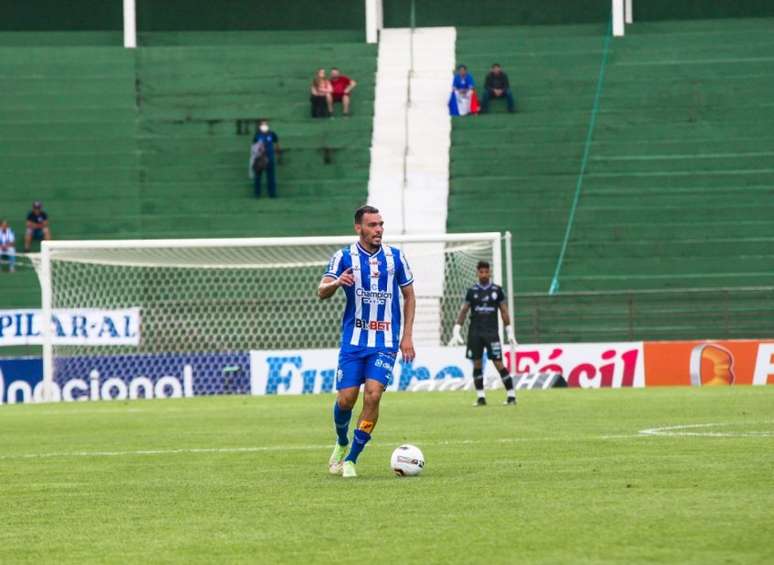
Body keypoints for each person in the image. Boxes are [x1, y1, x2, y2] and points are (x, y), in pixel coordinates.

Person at [318, 205, 416, 478]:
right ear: (358, 228)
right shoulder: (343, 257)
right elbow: (321, 290)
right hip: (354, 341)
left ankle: (351, 459)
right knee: (346, 399)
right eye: (373, 225)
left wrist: (407, 336)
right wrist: (336, 283)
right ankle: (341, 441)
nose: (379, 230)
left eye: (381, 224)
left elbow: (409, 296)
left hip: (385, 341)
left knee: (373, 395)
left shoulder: (396, 257)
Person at [449, 260, 518, 406]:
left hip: (492, 333)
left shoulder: (497, 290)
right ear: (477, 273)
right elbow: (464, 310)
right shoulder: (472, 291)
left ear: (490, 272)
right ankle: (481, 397)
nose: (484, 274)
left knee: (498, 363)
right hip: (475, 333)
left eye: (486, 271)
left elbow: (504, 311)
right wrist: (456, 329)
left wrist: (509, 331)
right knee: (477, 363)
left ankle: (511, 395)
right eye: (481, 272)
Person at [250, 120, 280, 198]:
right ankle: (257, 194)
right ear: (260, 126)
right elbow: (253, 146)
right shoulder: (257, 135)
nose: (264, 126)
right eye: (262, 124)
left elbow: (277, 144)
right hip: (260, 159)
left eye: (265, 124)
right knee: (258, 177)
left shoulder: (272, 134)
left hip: (270, 158)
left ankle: (272, 194)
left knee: (271, 177)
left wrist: (277, 154)